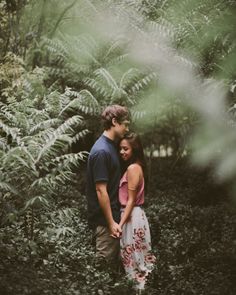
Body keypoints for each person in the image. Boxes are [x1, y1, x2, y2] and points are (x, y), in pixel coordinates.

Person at [86, 105, 130, 265]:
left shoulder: (112, 146)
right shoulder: (101, 151)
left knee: (115, 271)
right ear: (114, 121)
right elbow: (100, 190)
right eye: (125, 123)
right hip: (105, 223)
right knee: (103, 270)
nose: (127, 128)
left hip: (114, 219)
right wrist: (111, 222)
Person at [119, 132, 156, 292]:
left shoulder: (133, 168)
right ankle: (141, 290)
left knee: (135, 260)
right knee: (136, 257)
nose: (122, 152)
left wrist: (119, 225)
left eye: (125, 149)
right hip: (134, 215)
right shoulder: (137, 166)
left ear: (135, 149)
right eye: (120, 148)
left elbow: (131, 200)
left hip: (131, 216)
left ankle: (140, 290)